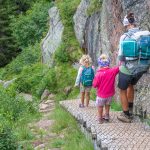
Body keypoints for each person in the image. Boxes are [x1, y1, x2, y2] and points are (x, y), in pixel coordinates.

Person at [117, 12, 144, 123]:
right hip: (140, 68)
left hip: (128, 67)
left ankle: (126, 114)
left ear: (127, 25)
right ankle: (131, 110)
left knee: (122, 89)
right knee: (130, 85)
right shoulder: (143, 34)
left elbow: (120, 56)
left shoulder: (124, 37)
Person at [93, 54, 119, 124]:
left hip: (101, 95)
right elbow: (119, 67)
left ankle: (100, 118)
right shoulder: (112, 71)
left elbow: (95, 85)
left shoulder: (98, 74)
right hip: (110, 94)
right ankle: (107, 116)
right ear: (108, 63)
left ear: (100, 65)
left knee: (100, 106)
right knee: (107, 105)